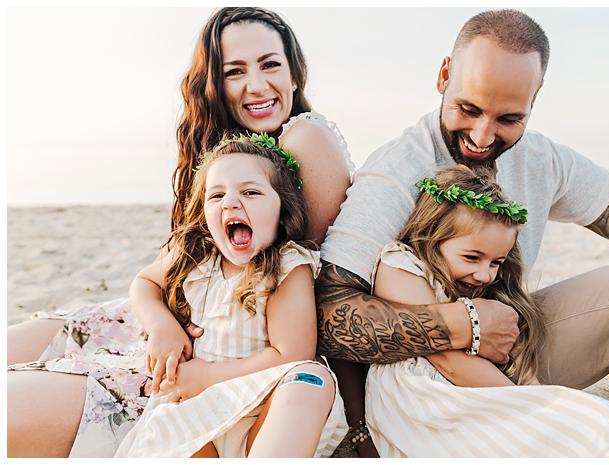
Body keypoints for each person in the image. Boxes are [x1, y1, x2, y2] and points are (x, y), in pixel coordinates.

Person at [316, 9, 609, 457]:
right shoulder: (395, 172)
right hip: (427, 394)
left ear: (535, 97)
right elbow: (330, 315)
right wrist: (463, 326)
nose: (482, 135)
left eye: (508, 118)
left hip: (514, 350)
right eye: (468, 109)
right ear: (444, 74)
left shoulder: (542, 158)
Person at [7, 7, 352, 458]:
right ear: (215, 84)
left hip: (218, 361)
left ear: (294, 73)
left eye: (270, 64)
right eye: (235, 71)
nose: (256, 85)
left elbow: (315, 291)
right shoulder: (224, 158)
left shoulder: (304, 139)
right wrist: (161, 324)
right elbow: (157, 275)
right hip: (159, 324)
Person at [366, 165, 609, 457]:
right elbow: (446, 358)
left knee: (608, 429)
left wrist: (536, 391)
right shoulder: (402, 264)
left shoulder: (476, 289)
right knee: (595, 431)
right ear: (431, 237)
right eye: (472, 257)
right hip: (424, 402)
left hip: (475, 388)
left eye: (496, 262)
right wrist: (530, 402)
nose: (484, 275)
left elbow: (514, 356)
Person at [114, 135, 347, 457]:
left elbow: (292, 353)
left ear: (282, 207)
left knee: (310, 380)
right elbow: (144, 282)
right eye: (217, 195)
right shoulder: (196, 255)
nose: (231, 203)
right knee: (164, 425)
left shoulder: (286, 265)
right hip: (195, 412)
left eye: (250, 192)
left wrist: (209, 375)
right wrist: (161, 326)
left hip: (263, 408)